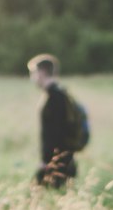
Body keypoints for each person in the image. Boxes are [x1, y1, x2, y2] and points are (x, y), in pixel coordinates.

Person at [27, 53, 77, 188]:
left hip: (57, 163)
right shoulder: (59, 94)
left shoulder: (54, 98)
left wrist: (46, 161)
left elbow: (55, 132)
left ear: (42, 73)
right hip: (63, 160)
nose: (32, 77)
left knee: (38, 197)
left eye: (33, 73)